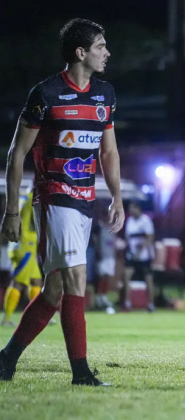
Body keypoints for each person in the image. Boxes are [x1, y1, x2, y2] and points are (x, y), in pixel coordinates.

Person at [0, 19, 124, 386]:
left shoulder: (106, 95)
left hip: (85, 199)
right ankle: (81, 373)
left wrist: (115, 196)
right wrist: (11, 211)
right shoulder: (47, 93)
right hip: (54, 196)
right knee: (76, 278)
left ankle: (6, 358)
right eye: (101, 47)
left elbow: (110, 151)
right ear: (80, 53)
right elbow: (16, 153)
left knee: (53, 292)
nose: (107, 53)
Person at [2, 191, 46, 327]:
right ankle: (7, 318)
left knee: (36, 281)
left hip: (22, 244)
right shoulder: (33, 197)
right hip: (25, 245)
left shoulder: (24, 197)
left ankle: (41, 316)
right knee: (18, 283)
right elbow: (35, 216)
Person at [123, 202, 155, 312]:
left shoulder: (146, 220)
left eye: (133, 209)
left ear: (138, 208)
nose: (131, 211)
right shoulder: (130, 221)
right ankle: (127, 303)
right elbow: (128, 238)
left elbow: (150, 237)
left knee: (148, 279)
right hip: (132, 255)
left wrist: (143, 246)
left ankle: (150, 304)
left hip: (144, 256)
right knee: (127, 276)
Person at [93, 215, 116, 312]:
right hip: (102, 256)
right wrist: (98, 253)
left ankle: (104, 297)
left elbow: (113, 242)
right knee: (101, 277)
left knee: (108, 277)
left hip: (110, 256)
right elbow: (96, 241)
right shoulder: (100, 228)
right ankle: (98, 298)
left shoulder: (113, 229)